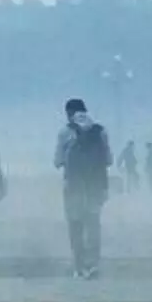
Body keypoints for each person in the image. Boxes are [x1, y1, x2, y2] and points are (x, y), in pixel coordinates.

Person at [54, 98, 112, 280]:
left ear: (69, 113)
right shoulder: (100, 131)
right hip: (96, 185)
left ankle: (79, 266)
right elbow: (108, 160)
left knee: (75, 226)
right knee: (93, 224)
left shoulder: (65, 132)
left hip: (73, 185)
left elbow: (57, 161)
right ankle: (93, 263)